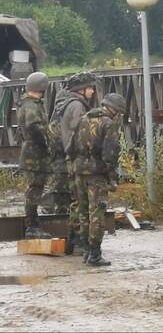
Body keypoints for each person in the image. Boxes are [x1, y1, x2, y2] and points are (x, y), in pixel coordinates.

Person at [70, 92, 124, 267]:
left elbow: (70, 147)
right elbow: (110, 154)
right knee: (96, 215)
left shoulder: (83, 119)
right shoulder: (108, 124)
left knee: (83, 213)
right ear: (115, 110)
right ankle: (95, 254)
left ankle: (86, 251)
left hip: (79, 173)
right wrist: (113, 178)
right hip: (96, 176)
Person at [48, 71, 97, 255]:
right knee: (80, 202)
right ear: (81, 90)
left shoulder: (66, 103)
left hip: (68, 158)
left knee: (74, 200)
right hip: (77, 159)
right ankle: (78, 241)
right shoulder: (77, 106)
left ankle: (71, 240)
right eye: (90, 88)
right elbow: (81, 134)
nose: (92, 91)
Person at [17, 71, 51, 238]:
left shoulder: (29, 103)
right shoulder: (31, 105)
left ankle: (33, 223)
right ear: (42, 88)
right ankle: (31, 226)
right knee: (34, 190)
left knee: (35, 189)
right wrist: (45, 142)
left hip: (32, 153)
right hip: (34, 154)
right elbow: (33, 126)